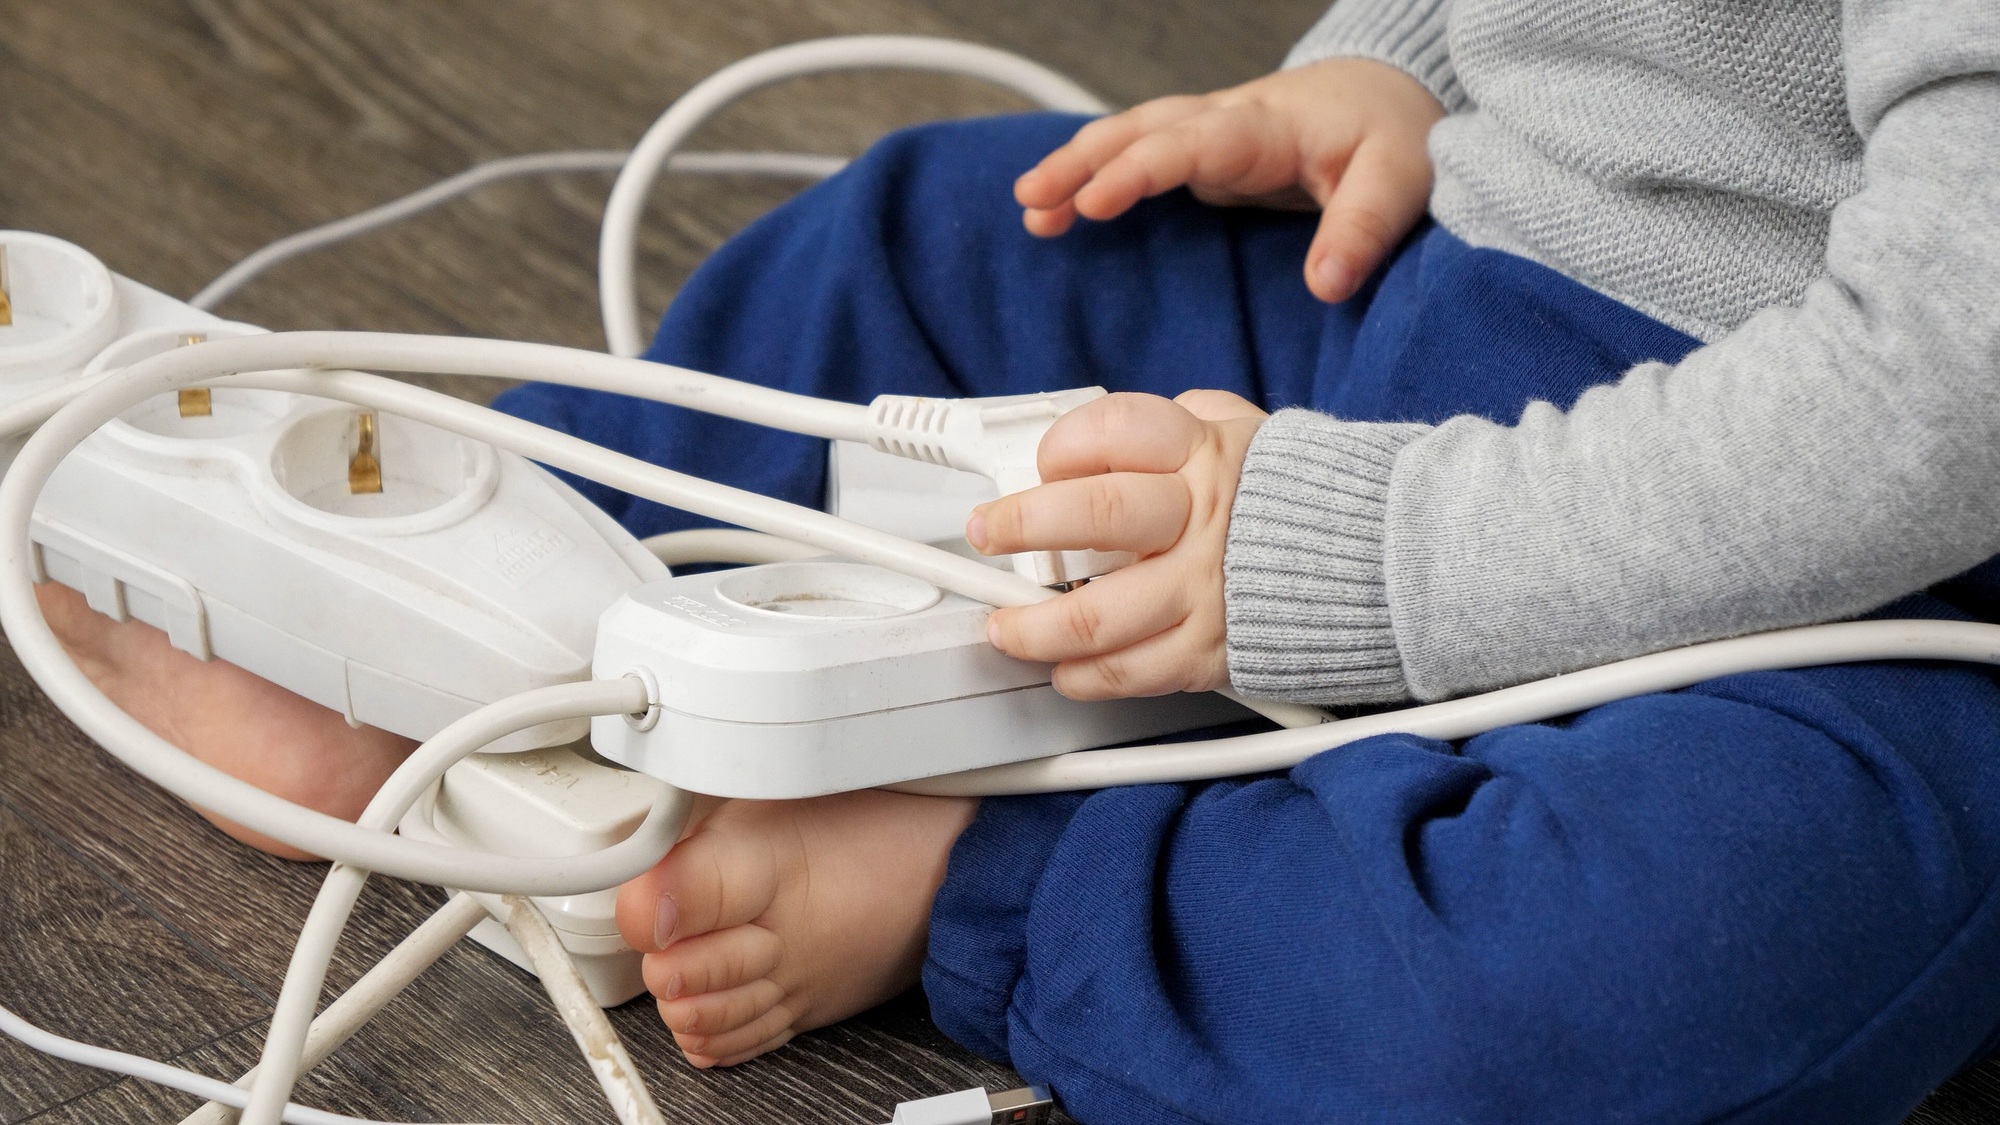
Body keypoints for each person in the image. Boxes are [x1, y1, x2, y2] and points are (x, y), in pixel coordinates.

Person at [39, 0, 2000, 1120]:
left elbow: (1944, 394)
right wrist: (1398, 66)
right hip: (1428, 289)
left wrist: (1370, 549)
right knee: (933, 239)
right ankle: (502, 636)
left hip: (1853, 574)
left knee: (1690, 961)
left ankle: (995, 866)